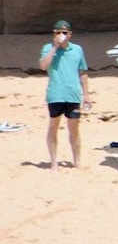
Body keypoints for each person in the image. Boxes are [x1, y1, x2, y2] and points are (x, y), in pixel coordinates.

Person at [39, 19, 92, 171]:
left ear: (70, 34)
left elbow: (82, 72)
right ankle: (54, 162)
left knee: (74, 128)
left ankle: (77, 161)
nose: (61, 35)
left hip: (73, 94)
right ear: (53, 34)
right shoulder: (47, 48)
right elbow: (43, 66)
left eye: (64, 32)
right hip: (55, 94)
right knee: (54, 126)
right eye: (58, 32)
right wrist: (55, 48)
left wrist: (86, 95)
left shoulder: (77, 50)